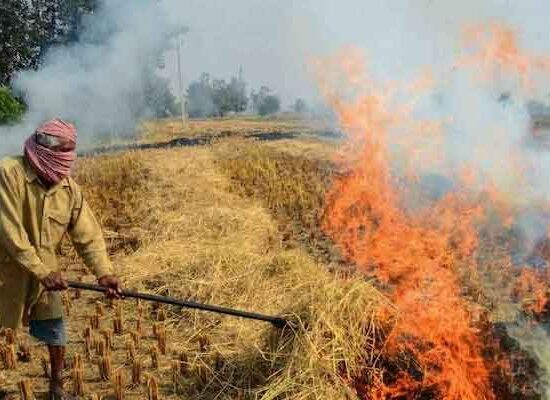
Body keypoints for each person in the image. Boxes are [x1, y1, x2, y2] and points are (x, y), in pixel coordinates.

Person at [0, 119, 122, 400]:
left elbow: (87, 234)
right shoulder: (9, 173)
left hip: (44, 273)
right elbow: (10, 233)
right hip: (6, 269)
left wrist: (104, 274)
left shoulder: (68, 190)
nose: (66, 163)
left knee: (55, 330)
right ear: (43, 152)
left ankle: (57, 387)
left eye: (70, 154)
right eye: (62, 154)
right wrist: (41, 271)